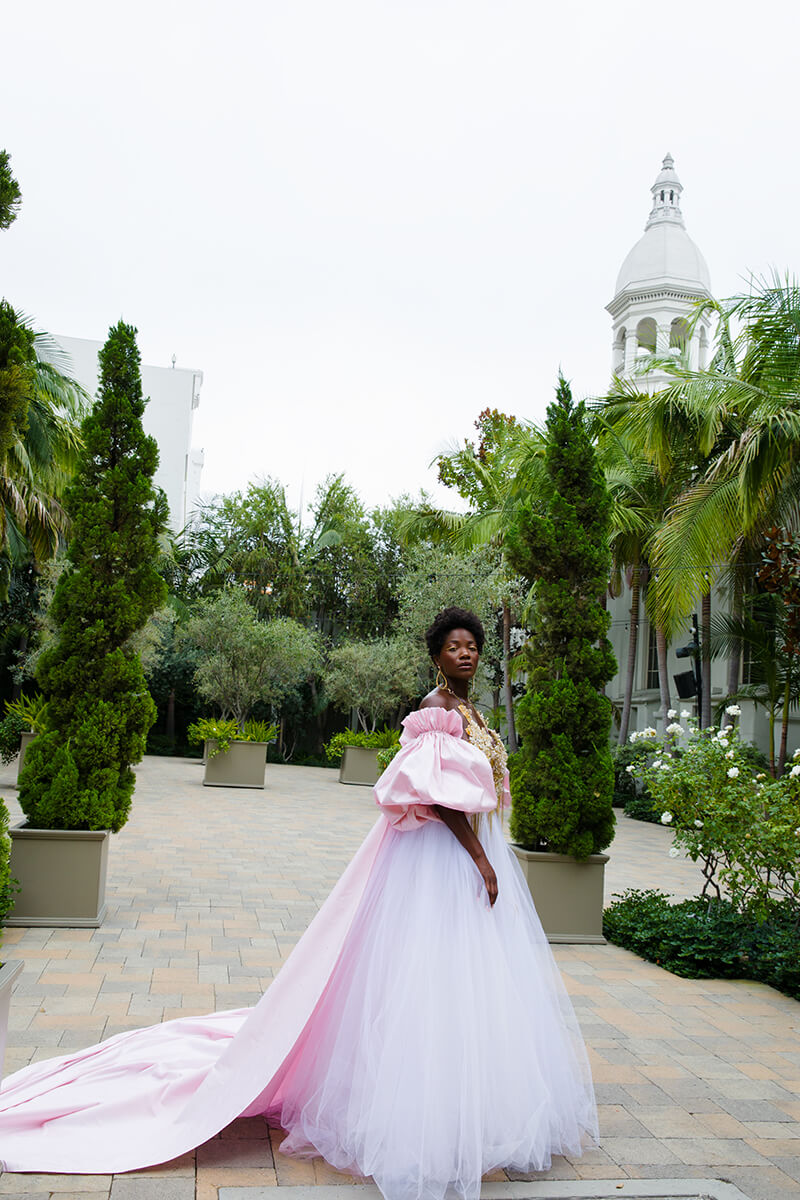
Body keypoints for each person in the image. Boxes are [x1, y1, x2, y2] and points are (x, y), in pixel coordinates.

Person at [0, 606, 598, 1200]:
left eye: (472, 646)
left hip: (468, 850)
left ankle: (474, 1105)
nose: (464, 653)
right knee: (431, 976)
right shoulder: (436, 712)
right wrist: (482, 858)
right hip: (445, 857)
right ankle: (424, 1115)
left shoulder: (472, 711)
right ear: (437, 656)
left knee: (466, 980)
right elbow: (435, 798)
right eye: (453, 646)